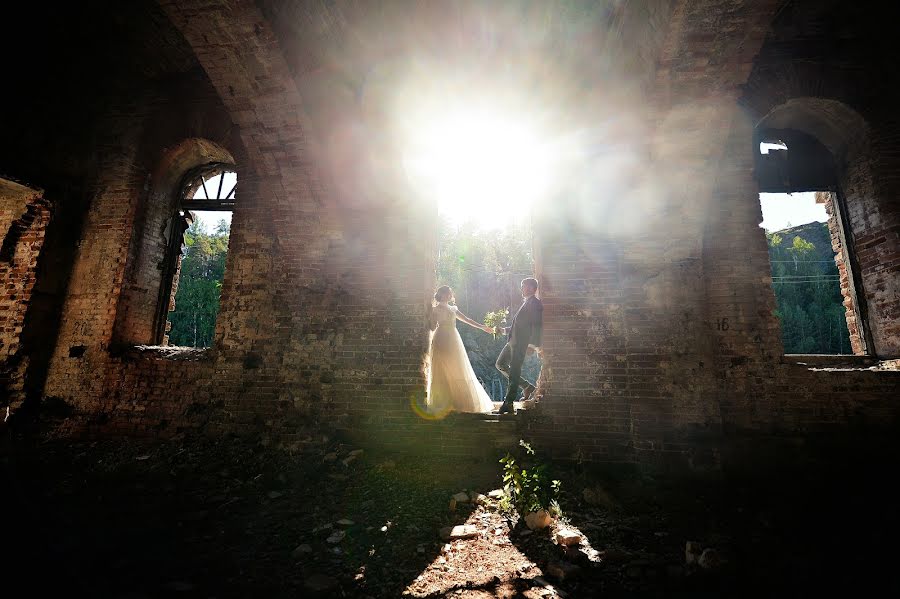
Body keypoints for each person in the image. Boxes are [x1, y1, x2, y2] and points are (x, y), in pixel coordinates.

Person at [426, 285, 496, 414]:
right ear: (440, 294)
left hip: (453, 338)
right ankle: (441, 401)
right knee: (440, 367)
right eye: (446, 293)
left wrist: (482, 327)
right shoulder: (434, 309)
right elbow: (431, 327)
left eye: (450, 293)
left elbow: (467, 320)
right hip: (440, 337)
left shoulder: (453, 309)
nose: (449, 295)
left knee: (457, 366)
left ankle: (460, 402)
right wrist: (429, 315)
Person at [494, 278, 543, 414]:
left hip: (522, 344)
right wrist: (503, 330)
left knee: (515, 371)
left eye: (525, 286)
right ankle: (527, 386)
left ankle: (508, 403)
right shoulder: (525, 303)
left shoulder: (535, 304)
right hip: (512, 342)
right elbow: (518, 327)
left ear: (533, 289)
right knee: (500, 364)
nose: (522, 289)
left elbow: (537, 326)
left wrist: (532, 346)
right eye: (522, 286)